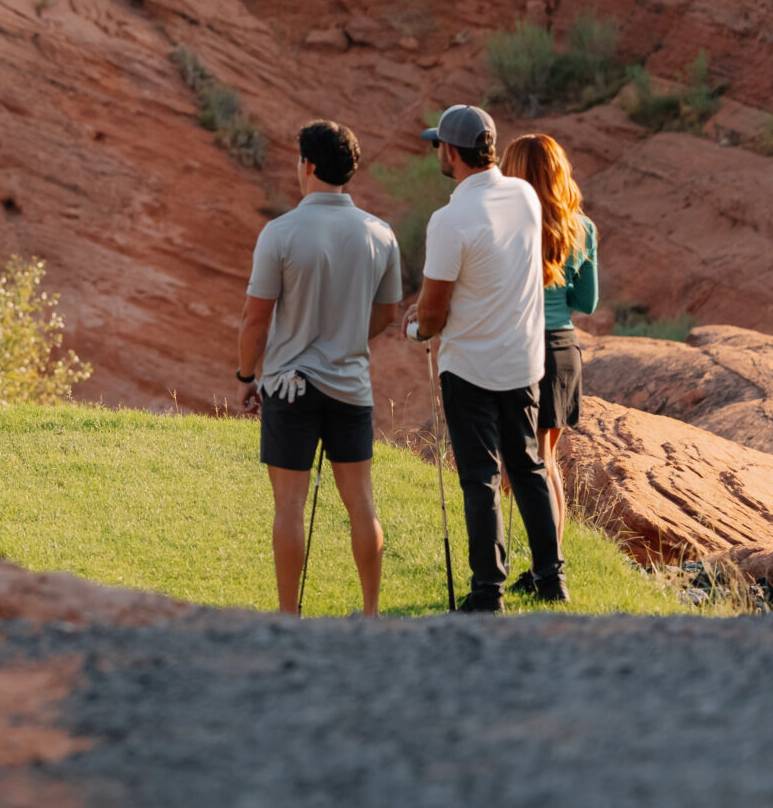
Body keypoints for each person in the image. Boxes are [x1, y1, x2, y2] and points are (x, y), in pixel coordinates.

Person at [235, 120, 406, 615]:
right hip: (351, 387)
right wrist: (348, 339)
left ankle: (290, 617)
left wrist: (248, 376)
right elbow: (389, 312)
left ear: (307, 166)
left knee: (288, 507)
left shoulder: (281, 233)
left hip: (289, 388)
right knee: (361, 503)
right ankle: (371, 612)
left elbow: (255, 318)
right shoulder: (380, 233)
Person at [409, 103, 563, 610]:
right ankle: (550, 580)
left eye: (439, 146)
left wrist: (415, 327)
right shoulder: (523, 196)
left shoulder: (449, 220)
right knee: (529, 468)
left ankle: (487, 591)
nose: (438, 152)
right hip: (522, 361)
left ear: (451, 152)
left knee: (481, 478)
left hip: (471, 368)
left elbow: (432, 313)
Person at [503, 132, 599, 544]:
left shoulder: (507, 223)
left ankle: (547, 569)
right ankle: (551, 563)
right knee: (547, 458)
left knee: (523, 463)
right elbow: (587, 302)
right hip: (563, 348)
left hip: (520, 347)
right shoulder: (582, 228)